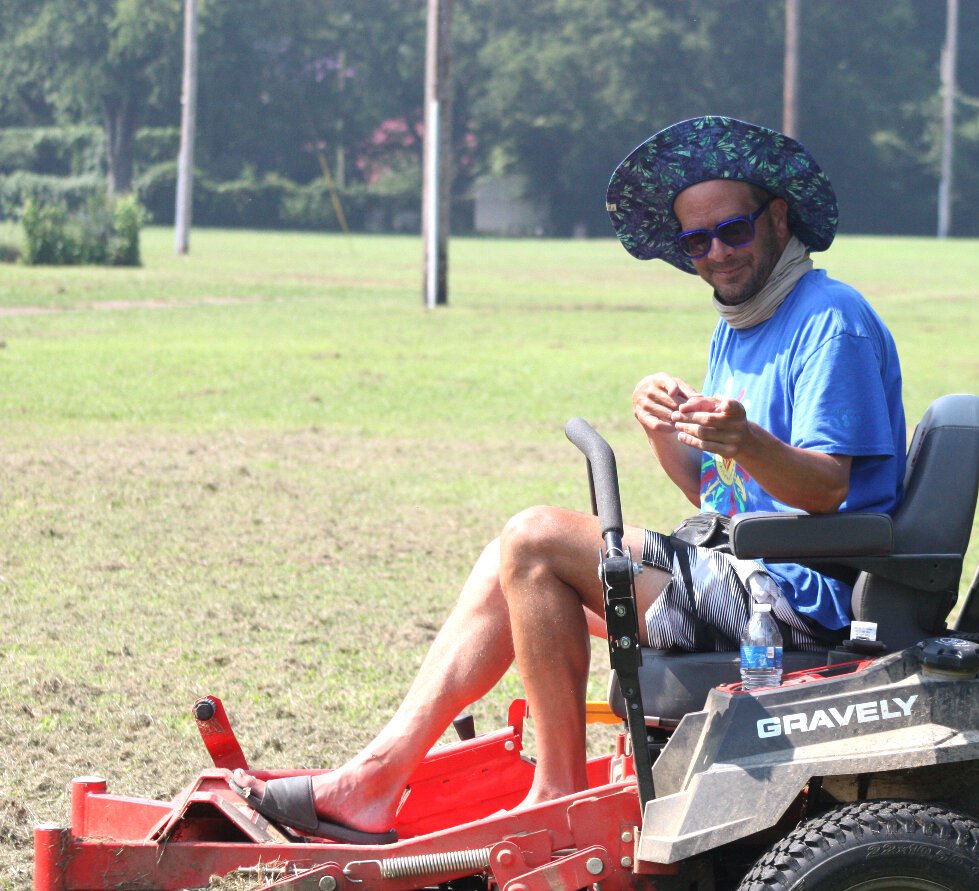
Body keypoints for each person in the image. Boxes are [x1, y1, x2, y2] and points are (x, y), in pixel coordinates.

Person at [230, 116, 906, 843]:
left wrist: (747, 438)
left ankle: (557, 801)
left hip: (798, 595)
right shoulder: (741, 323)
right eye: (695, 241)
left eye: (733, 231)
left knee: (536, 538)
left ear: (778, 218)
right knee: (508, 564)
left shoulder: (831, 320)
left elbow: (826, 490)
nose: (716, 254)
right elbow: (723, 496)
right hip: (740, 567)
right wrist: (663, 431)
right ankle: (374, 778)